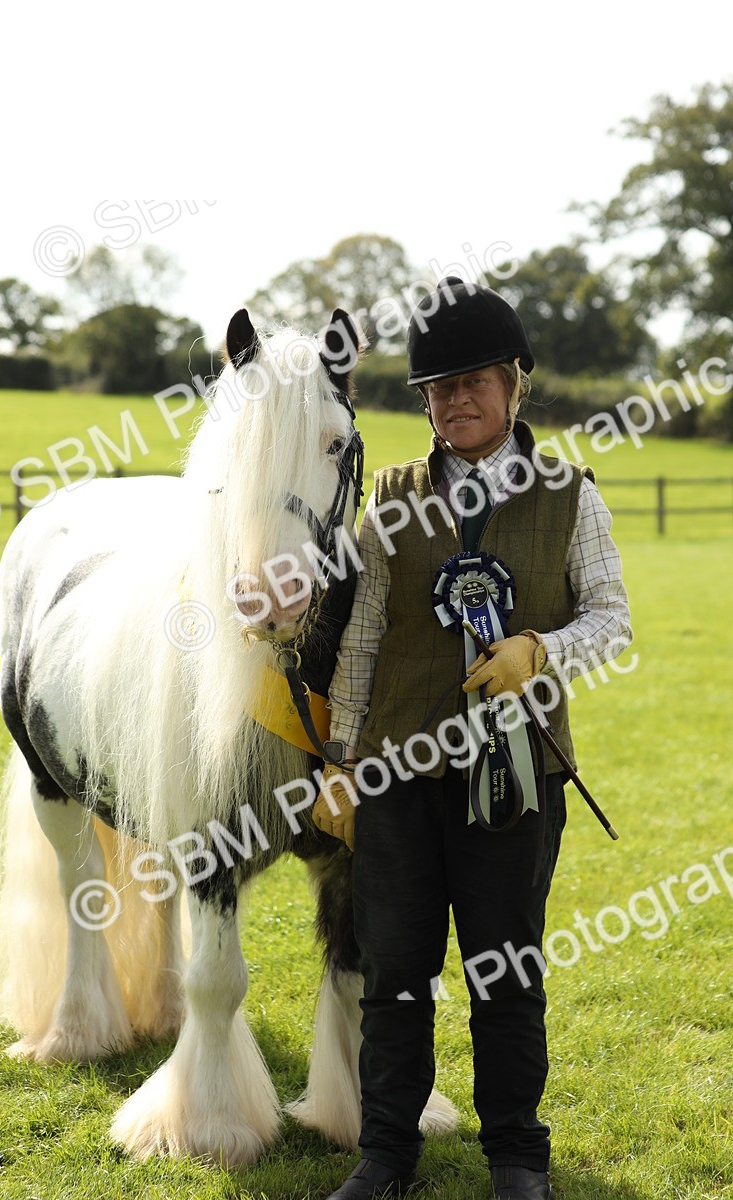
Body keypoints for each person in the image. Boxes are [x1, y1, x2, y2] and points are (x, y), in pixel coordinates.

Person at [313, 278, 632, 1200]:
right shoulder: (392, 497)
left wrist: (541, 647)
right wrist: (338, 758)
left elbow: (612, 620)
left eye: (474, 381)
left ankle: (517, 1161)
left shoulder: (573, 495)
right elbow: (365, 635)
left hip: (519, 778)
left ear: (514, 385)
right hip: (397, 778)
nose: (456, 400)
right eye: (438, 388)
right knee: (395, 974)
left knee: (505, 972)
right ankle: (385, 1153)